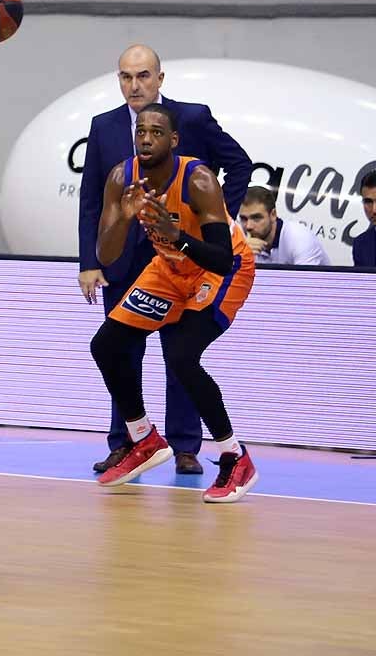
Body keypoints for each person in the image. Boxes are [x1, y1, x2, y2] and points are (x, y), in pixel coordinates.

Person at [78, 44, 252, 477]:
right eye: (125, 77)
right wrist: (109, 232)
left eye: (142, 76)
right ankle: (139, 439)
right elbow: (95, 215)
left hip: (214, 263)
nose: (133, 85)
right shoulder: (117, 160)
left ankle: (217, 451)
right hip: (158, 262)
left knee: (179, 357)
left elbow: (221, 250)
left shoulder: (196, 163)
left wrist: (192, 226)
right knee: (110, 346)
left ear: (159, 79)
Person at [238, 186, 330, 265]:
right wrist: (238, 255)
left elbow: (305, 283)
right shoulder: (238, 237)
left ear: (273, 215)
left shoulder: (299, 238)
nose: (248, 226)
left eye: (256, 218)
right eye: (243, 219)